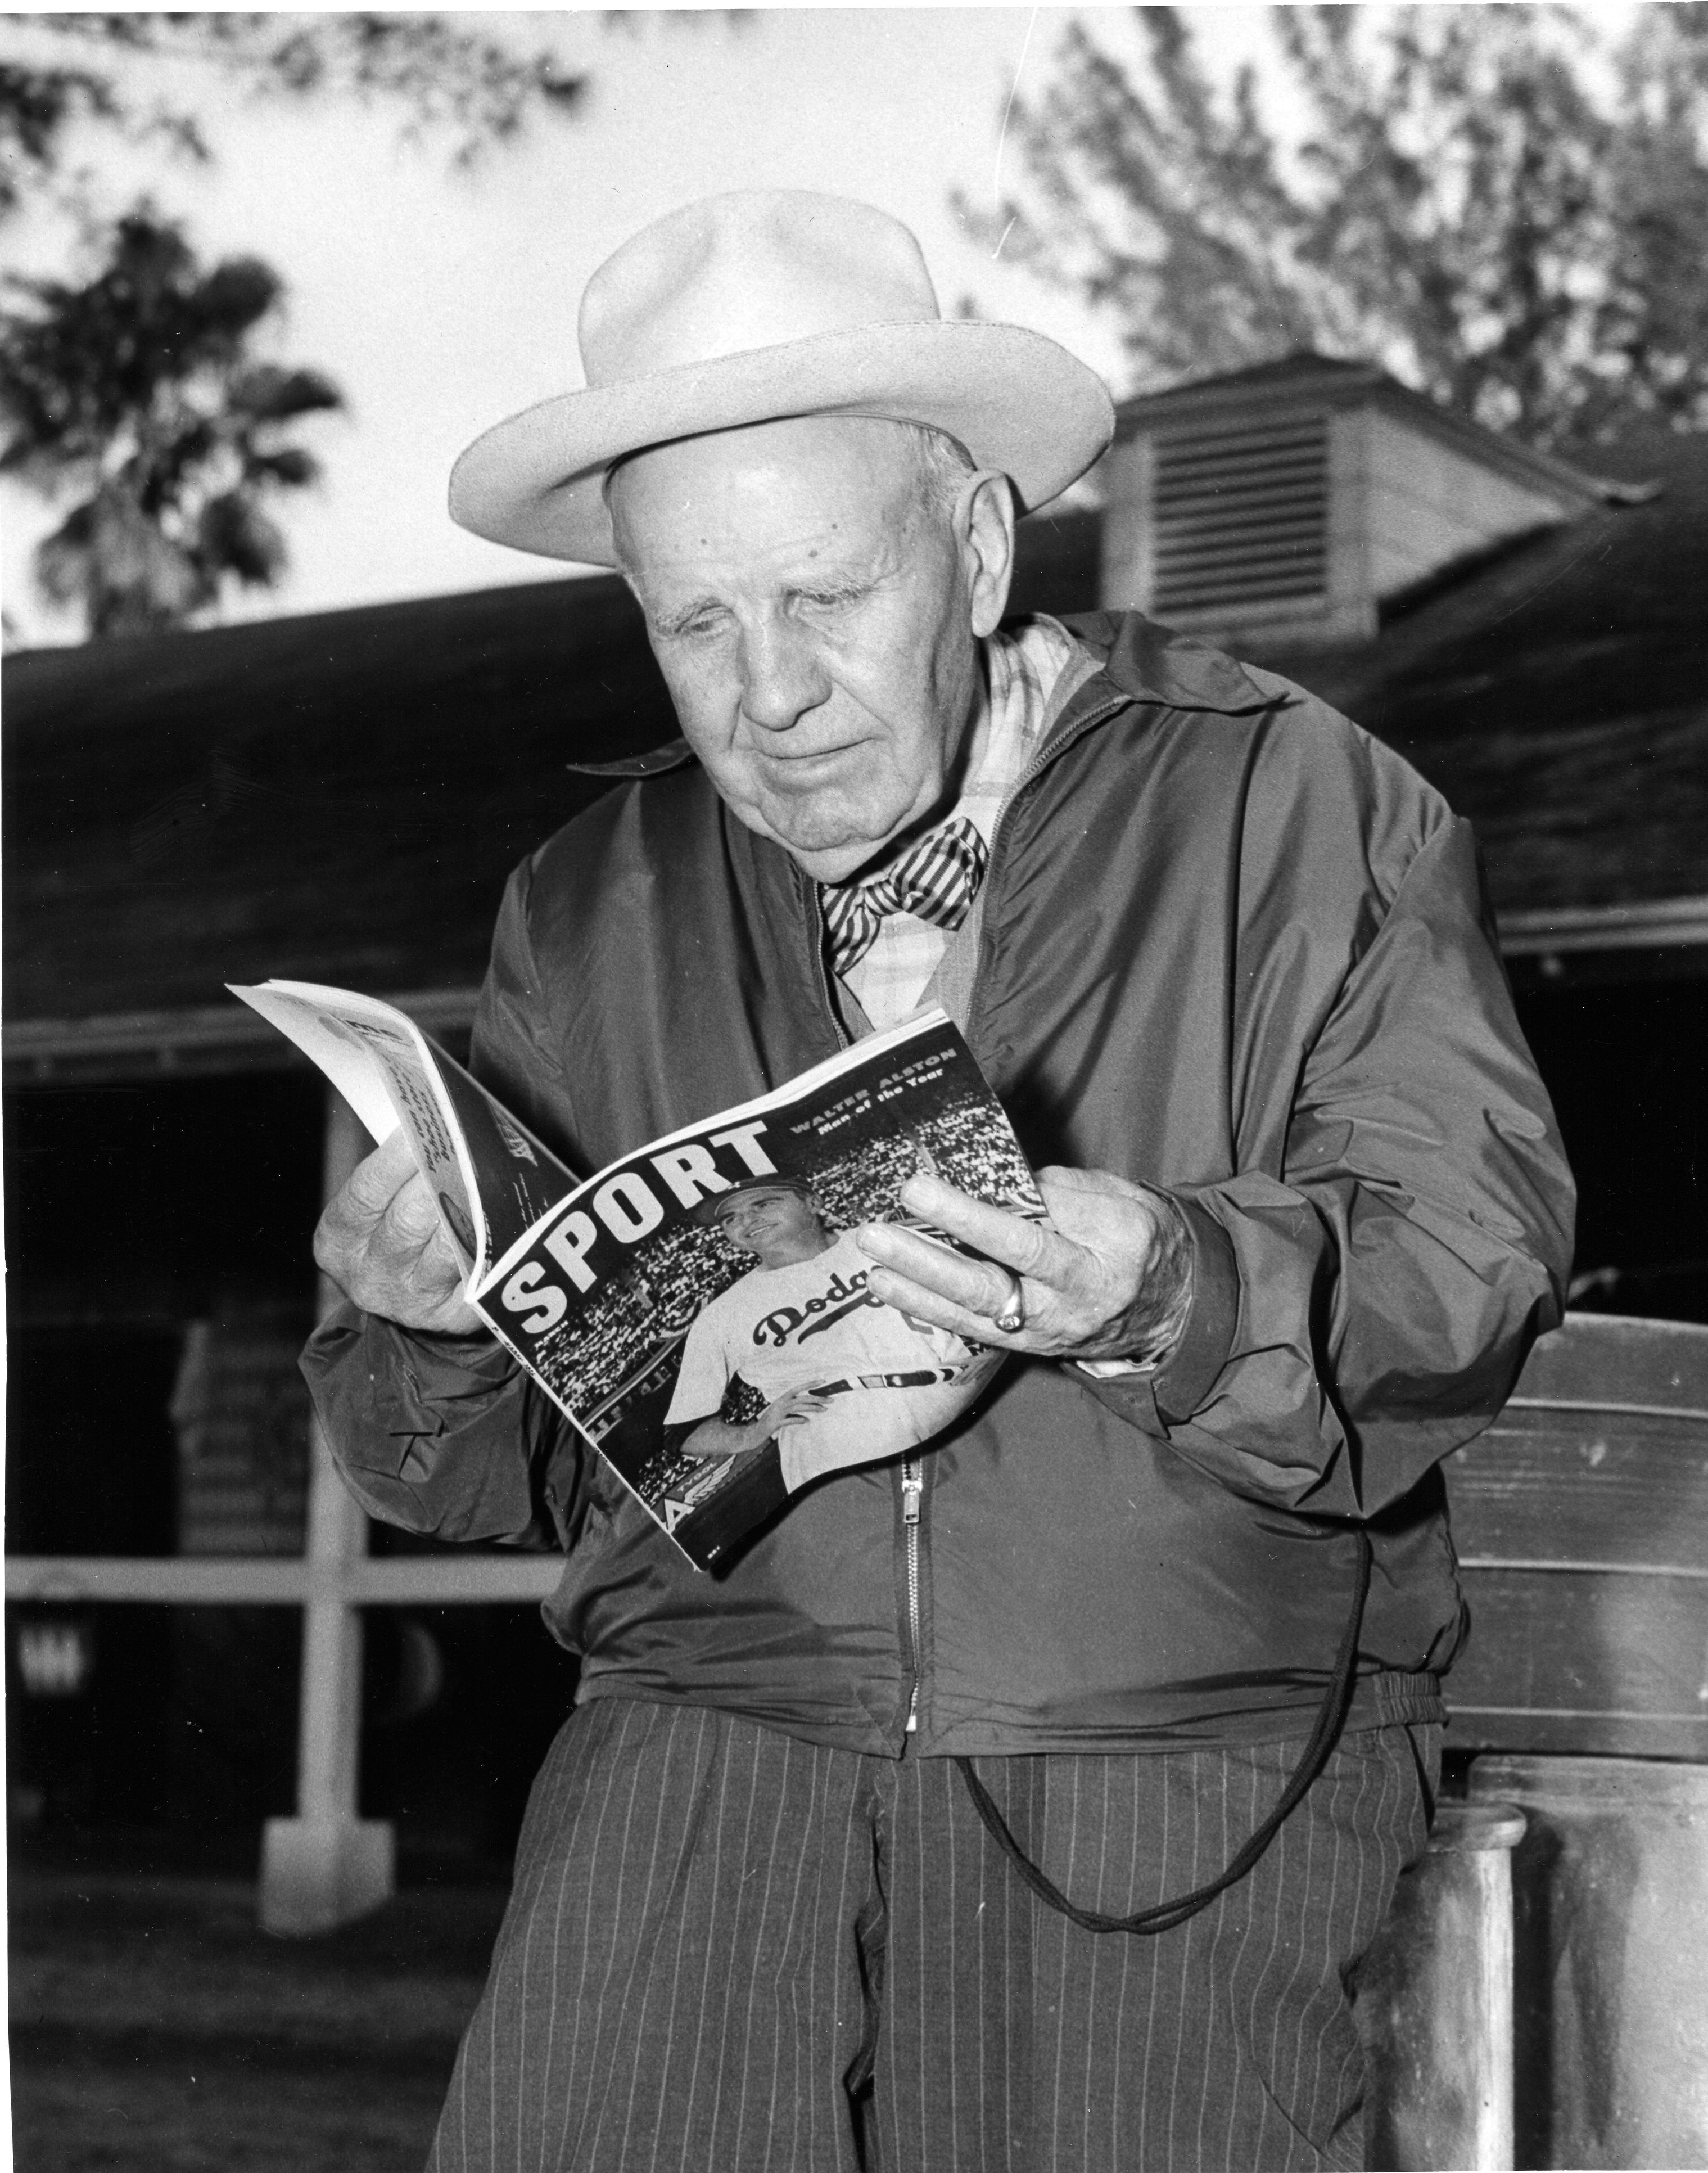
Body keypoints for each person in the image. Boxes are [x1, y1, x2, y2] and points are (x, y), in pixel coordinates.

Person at [304, 190, 1573, 2172]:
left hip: (1167, 1771)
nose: (769, 693)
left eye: (825, 595)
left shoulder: (1297, 806)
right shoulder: (582, 905)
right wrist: (422, 1333)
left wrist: (1167, 1283)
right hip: (702, 1757)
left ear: (975, 546)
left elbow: (1467, 1278)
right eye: (693, 622)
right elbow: (468, 1478)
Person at [666, 1176, 986, 1491]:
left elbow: (983, 1291)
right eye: (730, 1218)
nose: (747, 1220)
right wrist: (753, 1432)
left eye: (763, 1204)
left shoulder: (881, 1239)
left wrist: (998, 1351)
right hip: (833, 1431)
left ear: (812, 1202)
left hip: (953, 1392)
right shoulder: (722, 1316)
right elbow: (686, 1432)